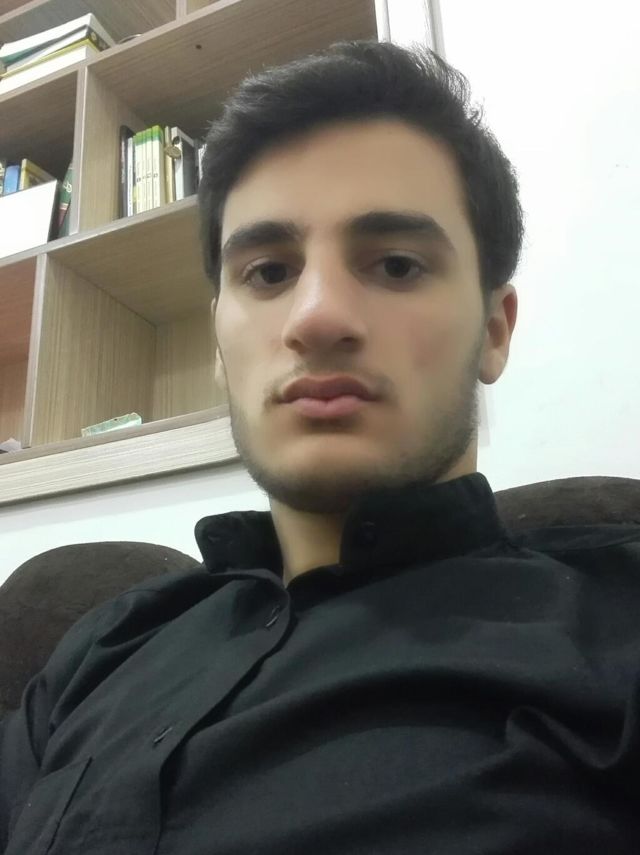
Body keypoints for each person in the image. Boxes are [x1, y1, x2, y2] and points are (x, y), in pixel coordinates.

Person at [2, 38, 639, 855]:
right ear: (220, 341)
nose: (316, 317)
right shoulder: (103, 643)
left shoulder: (614, 633)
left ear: (494, 329)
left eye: (397, 264)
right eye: (269, 273)